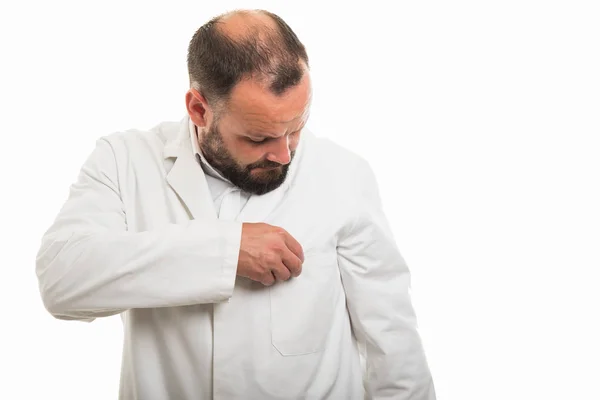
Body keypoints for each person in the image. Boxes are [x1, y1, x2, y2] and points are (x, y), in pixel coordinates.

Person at [35, 9, 436, 400]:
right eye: (259, 138)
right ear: (198, 109)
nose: (284, 155)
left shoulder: (344, 174)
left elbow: (391, 339)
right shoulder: (123, 160)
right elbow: (62, 281)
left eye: (296, 127)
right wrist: (226, 252)